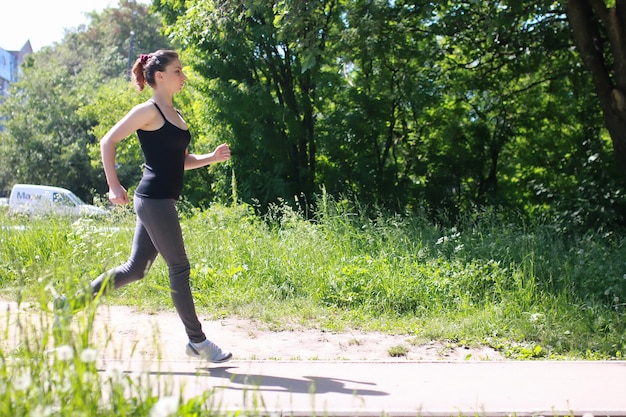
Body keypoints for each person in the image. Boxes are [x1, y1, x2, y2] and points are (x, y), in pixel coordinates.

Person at [90, 49, 232, 363]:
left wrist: (212, 156)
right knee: (179, 267)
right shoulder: (149, 110)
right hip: (154, 200)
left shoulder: (176, 115)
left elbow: (180, 161)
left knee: (135, 269)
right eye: (178, 71)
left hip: (162, 199)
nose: (183, 76)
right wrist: (113, 184)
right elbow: (108, 141)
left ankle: (72, 302)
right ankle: (197, 341)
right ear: (160, 76)